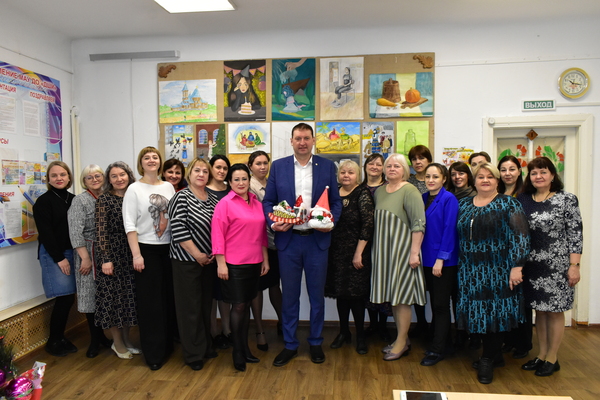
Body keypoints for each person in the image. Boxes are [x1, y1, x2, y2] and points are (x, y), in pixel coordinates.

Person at [263, 122, 342, 367]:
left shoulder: (327, 166)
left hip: (317, 241)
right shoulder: (279, 167)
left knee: (317, 296)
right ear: (291, 141)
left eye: (307, 138)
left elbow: (336, 203)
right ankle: (290, 344)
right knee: (290, 297)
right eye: (298, 138)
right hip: (289, 242)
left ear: (313, 140)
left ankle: (316, 342)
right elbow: (268, 202)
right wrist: (273, 223)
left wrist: (330, 222)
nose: (302, 142)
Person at [456, 162, 530, 384]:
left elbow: (521, 236)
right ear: (474, 181)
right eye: (481, 177)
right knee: (477, 313)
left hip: (499, 269)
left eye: (490, 176)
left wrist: (517, 266)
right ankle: (495, 355)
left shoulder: (509, 203)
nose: (485, 180)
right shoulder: (463, 204)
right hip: (470, 270)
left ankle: (487, 358)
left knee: (496, 314)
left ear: (497, 180)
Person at [517, 157, 582, 377]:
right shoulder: (524, 199)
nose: (539, 176)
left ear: (552, 175)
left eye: (543, 172)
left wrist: (574, 265)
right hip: (532, 265)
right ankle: (542, 354)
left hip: (558, 266)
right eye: (534, 173)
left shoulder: (566, 199)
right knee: (540, 311)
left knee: (554, 311)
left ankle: (553, 358)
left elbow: (575, 234)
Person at [212, 163, 269, 372]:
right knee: (238, 307)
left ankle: (245, 348)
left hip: (254, 262)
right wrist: (221, 263)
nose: (241, 182)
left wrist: (265, 260)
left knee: (246, 308)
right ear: (229, 181)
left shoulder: (256, 202)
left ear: (249, 180)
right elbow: (217, 235)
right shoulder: (225, 204)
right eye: (236, 179)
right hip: (233, 264)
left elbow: (262, 235)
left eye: (244, 178)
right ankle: (237, 351)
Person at [123, 146, 176, 370]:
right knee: (150, 304)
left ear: (160, 161)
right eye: (147, 157)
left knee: (167, 300)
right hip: (146, 250)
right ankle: (153, 354)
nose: (151, 160)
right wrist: (137, 255)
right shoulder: (134, 189)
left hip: (169, 250)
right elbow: (130, 225)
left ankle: (166, 347)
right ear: (141, 163)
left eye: (155, 157)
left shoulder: (168, 186)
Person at [371, 153, 426, 361]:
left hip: (403, 252)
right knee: (394, 297)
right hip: (384, 253)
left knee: (402, 299)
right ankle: (401, 338)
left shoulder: (410, 190)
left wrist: (414, 253)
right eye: (389, 166)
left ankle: (402, 342)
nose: (392, 169)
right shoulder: (380, 191)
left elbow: (418, 223)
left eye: (397, 166)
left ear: (405, 170)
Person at [168, 157, 218, 371]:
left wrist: (213, 254)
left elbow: (219, 227)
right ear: (189, 174)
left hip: (208, 262)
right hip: (186, 261)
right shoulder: (181, 197)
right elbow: (178, 229)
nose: (201, 174)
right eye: (197, 170)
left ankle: (205, 346)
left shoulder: (212, 198)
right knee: (190, 309)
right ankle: (193, 354)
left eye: (205, 171)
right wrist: (197, 254)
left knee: (205, 306)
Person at [325, 160, 374, 354]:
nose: (346, 175)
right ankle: (344, 332)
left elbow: (368, 225)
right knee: (341, 295)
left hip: (356, 253)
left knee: (356, 297)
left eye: (351, 172)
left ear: (358, 175)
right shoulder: (332, 193)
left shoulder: (362, 194)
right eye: (343, 172)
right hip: (335, 253)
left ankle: (360, 336)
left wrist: (358, 253)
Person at [95, 161, 139, 360]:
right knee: (113, 301)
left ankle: (127, 340)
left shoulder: (133, 196)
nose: (119, 179)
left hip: (131, 253)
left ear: (129, 175)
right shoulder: (104, 199)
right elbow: (101, 232)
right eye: (114, 176)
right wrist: (105, 259)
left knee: (128, 299)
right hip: (112, 255)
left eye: (122, 174)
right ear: (109, 180)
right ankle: (118, 343)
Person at [33, 161, 78, 357]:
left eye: (62, 174)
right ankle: (53, 341)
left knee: (69, 298)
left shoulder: (73, 199)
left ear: (69, 177)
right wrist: (60, 258)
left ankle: (60, 337)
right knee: (64, 297)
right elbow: (46, 234)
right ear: (48, 179)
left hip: (73, 252)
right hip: (54, 254)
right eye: (54, 175)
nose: (59, 178)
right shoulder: (44, 202)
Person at [67, 164, 112, 358]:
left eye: (97, 176)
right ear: (84, 181)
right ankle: (95, 339)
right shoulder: (80, 201)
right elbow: (75, 231)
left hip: (106, 252)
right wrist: (85, 258)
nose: (94, 180)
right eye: (89, 177)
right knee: (89, 297)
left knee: (103, 295)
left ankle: (103, 336)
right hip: (88, 252)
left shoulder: (107, 196)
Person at [419, 163, 459, 366]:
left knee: (441, 306)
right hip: (426, 258)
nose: (431, 180)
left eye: (435, 176)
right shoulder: (423, 198)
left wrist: (441, 259)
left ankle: (437, 350)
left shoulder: (449, 198)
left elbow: (449, 229)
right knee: (435, 303)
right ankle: (445, 344)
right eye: (428, 176)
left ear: (444, 179)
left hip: (443, 261)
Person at [248, 151, 283, 351]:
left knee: (275, 285)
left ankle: (283, 323)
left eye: (265, 163)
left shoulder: (273, 183)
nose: (262, 167)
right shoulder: (249, 187)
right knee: (257, 288)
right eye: (258, 163)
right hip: (256, 245)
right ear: (250, 166)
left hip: (275, 243)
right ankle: (260, 330)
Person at [497, 155, 530, 359]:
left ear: (519, 171)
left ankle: (523, 343)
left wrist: (519, 261)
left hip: (519, 254)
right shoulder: (497, 194)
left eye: (511, 169)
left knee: (521, 301)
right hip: (500, 256)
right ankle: (508, 340)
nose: (507, 173)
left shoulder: (525, 196)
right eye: (503, 170)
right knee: (505, 300)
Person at [362, 154, 392, 341]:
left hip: (384, 242)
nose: (374, 167)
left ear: (383, 168)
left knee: (384, 283)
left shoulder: (389, 189)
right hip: (363, 244)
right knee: (368, 284)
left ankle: (383, 325)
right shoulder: (359, 189)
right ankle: (372, 324)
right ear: (365, 166)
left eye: (378, 164)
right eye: (371, 163)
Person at [206, 154, 233, 349]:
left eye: (225, 168)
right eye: (218, 167)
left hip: (229, 250)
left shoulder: (231, 191)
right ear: (211, 169)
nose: (221, 171)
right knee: (211, 294)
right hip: (207, 249)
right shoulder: (203, 190)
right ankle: (212, 332)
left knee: (225, 293)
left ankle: (227, 330)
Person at [406, 145, 432, 339]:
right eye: (414, 159)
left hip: (433, 236)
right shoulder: (408, 183)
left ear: (428, 160)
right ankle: (421, 322)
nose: (418, 162)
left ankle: (435, 326)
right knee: (416, 283)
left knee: (433, 284)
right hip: (413, 236)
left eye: (422, 158)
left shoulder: (435, 180)